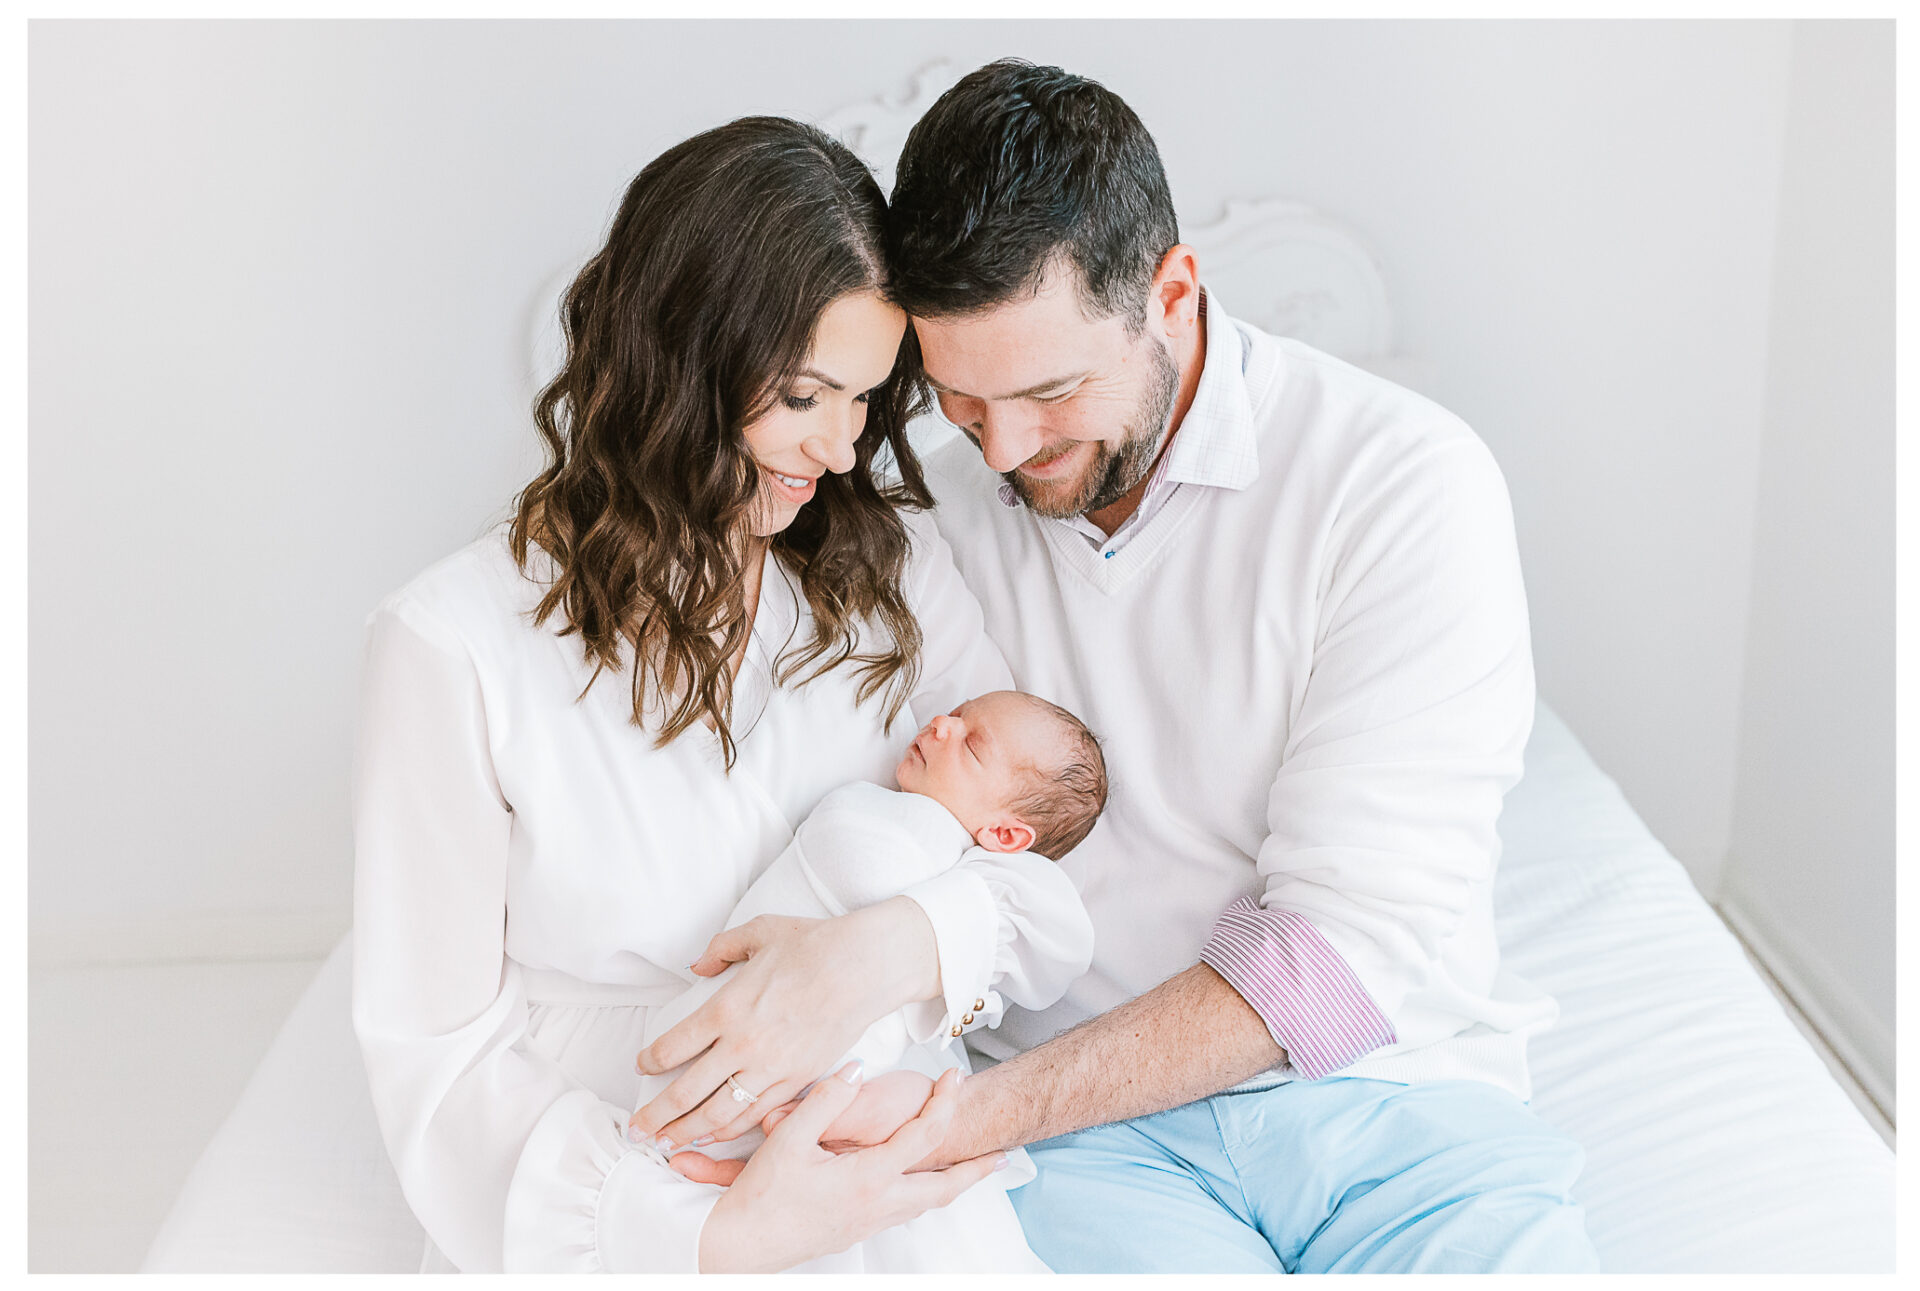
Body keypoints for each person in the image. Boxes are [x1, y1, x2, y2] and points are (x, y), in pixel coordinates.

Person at [650, 61, 1602, 1273]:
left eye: (1052, 390)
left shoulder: (1397, 483)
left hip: (1389, 1096)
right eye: (958, 398)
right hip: (1088, 1140)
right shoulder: (929, 516)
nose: (1007, 448)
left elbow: (1339, 956)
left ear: (1173, 290)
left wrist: (964, 1123)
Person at [350, 115, 1092, 1274]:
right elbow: (433, 1052)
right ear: (680, 356)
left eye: (864, 401)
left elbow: (1034, 874)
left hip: (880, 1155)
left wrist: (890, 948)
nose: (842, 451)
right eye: (804, 398)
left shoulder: (890, 571)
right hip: (624, 1184)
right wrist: (715, 1229)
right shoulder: (451, 644)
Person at [626, 690, 1106, 1270]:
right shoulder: (890, 818)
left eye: (971, 743)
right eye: (954, 714)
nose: (942, 725)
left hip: (839, 1088)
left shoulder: (966, 867)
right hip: (731, 1050)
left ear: (1006, 837)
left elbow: (1057, 935)